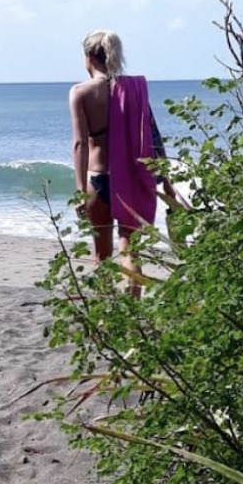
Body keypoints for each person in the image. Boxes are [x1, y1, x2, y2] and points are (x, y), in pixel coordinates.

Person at [69, 29, 173, 297]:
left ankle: (106, 316)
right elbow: (152, 135)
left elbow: (80, 144)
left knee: (101, 254)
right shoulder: (134, 89)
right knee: (130, 249)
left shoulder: (80, 92)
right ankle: (132, 314)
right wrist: (167, 183)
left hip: (98, 177)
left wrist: (80, 190)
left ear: (89, 57)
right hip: (131, 179)